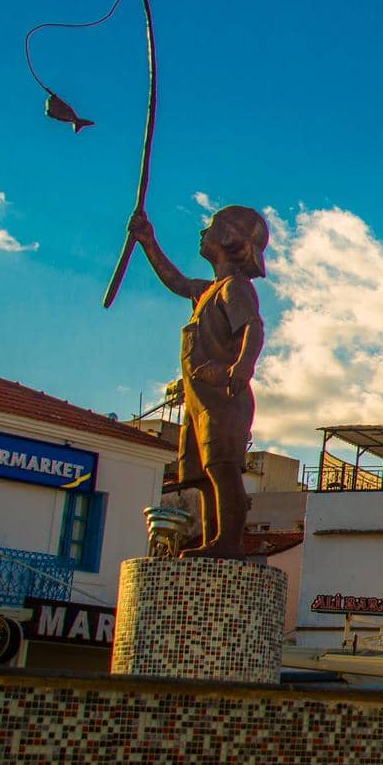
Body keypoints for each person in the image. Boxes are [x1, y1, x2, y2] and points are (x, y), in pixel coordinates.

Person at [129, 206, 268, 559]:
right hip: (199, 401)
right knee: (203, 476)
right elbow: (176, 281)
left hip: (223, 396)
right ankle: (213, 540)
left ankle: (228, 543)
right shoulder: (209, 291)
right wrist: (148, 242)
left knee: (222, 469)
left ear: (226, 239)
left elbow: (253, 327)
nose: (202, 234)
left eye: (211, 228)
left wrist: (242, 368)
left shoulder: (235, 288)